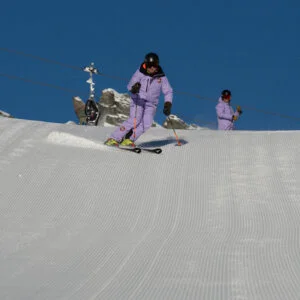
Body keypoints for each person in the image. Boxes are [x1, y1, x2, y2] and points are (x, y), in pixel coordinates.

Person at [105, 52, 173, 147]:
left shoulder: (161, 77)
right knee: (135, 120)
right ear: (146, 65)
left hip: (151, 103)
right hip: (138, 100)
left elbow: (168, 91)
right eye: (150, 66)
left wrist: (168, 103)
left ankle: (129, 140)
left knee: (147, 123)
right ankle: (113, 138)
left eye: (154, 66)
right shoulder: (140, 73)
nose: (152, 68)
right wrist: (134, 89)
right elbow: (130, 86)